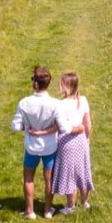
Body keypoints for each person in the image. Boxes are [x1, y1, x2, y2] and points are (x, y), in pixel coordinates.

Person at [11, 65, 84, 219]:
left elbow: (15, 126)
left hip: (31, 148)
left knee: (28, 178)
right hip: (50, 148)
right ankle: (47, 210)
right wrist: (79, 128)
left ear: (35, 84)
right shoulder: (55, 104)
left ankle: (29, 211)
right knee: (49, 180)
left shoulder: (24, 103)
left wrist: (27, 127)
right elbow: (64, 128)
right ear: (47, 84)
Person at [30, 71, 93, 214]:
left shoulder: (60, 104)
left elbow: (57, 128)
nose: (59, 85)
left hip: (66, 143)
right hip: (82, 141)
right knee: (82, 171)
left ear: (66, 86)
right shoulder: (83, 100)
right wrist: (87, 138)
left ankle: (70, 207)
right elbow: (88, 123)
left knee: (70, 174)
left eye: (61, 83)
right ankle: (84, 202)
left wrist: (40, 132)